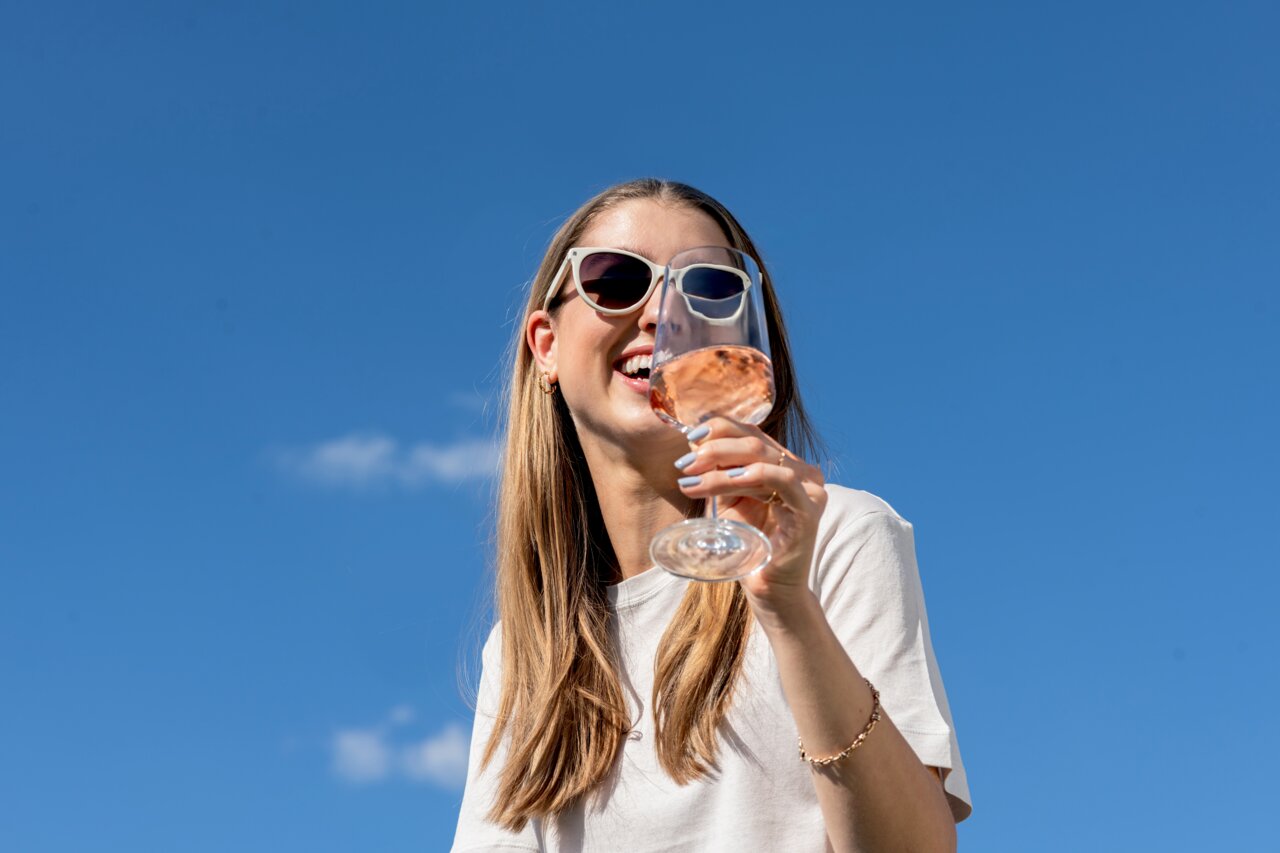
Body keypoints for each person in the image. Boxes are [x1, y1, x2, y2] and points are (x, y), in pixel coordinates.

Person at [452, 179, 972, 852]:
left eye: (711, 287)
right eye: (615, 280)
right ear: (545, 344)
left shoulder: (838, 536)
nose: (663, 314)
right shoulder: (524, 644)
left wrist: (788, 607)